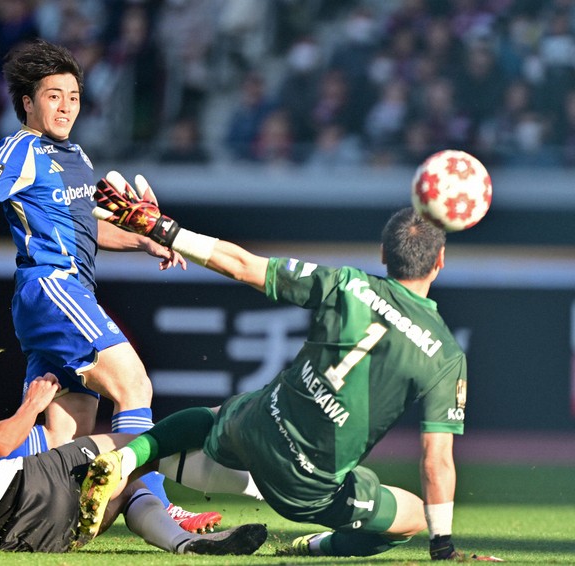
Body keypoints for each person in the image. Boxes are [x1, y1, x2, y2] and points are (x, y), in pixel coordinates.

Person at [0, 39, 220, 532]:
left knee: (65, 439)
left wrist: (144, 242)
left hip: (66, 295)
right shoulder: (19, 148)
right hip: (52, 288)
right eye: (54, 96)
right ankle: (156, 503)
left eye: (73, 96)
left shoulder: (75, 155)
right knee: (134, 386)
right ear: (28, 102)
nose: (66, 106)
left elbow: (86, 227)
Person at [81, 179, 476, 561]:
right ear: (439, 262)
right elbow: (435, 459)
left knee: (220, 416)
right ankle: (314, 546)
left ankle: (129, 458)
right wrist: (443, 545)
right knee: (409, 518)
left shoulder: (346, 284)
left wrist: (164, 229)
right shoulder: (444, 354)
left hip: (259, 424)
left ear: (384, 254)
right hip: (307, 485)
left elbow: (241, 265)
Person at [0, 307, 267, 555]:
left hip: (7, 545)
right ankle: (260, 482)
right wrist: (34, 403)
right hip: (26, 499)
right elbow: (1, 441)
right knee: (139, 447)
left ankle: (182, 545)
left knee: (117, 477)